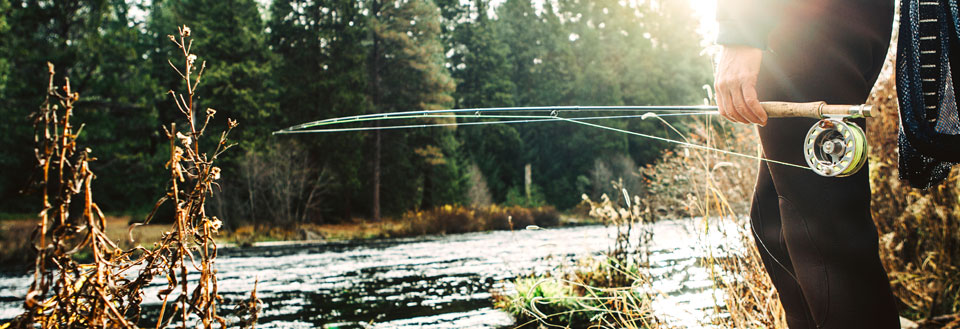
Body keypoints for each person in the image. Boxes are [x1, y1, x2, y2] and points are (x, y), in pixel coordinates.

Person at [713, 0, 899, 328]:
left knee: (823, 240)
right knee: (774, 224)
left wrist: (742, 31)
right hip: (832, 22)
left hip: (802, 21)